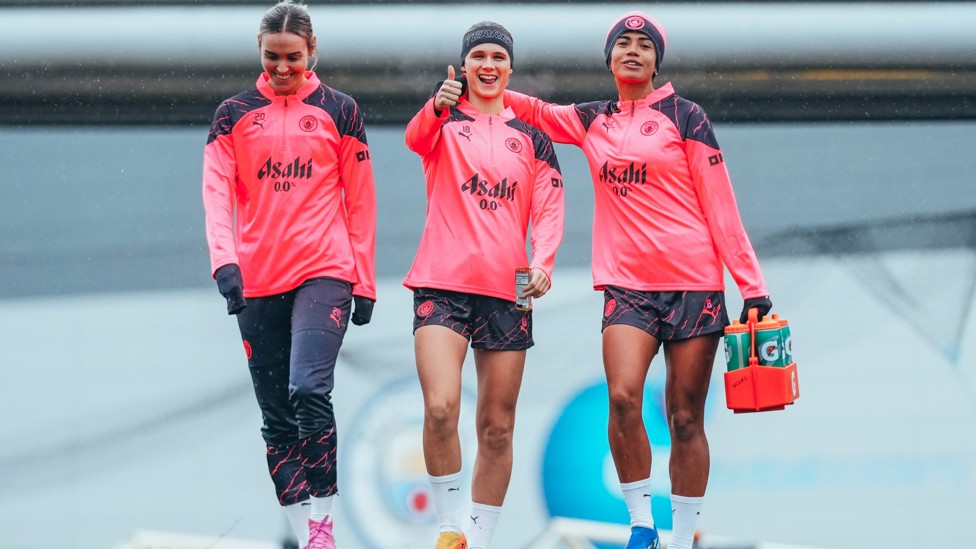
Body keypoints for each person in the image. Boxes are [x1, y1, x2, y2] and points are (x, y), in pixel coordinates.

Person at [501, 11, 773, 549]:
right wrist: (482, 80)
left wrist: (753, 287)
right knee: (624, 399)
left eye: (643, 45)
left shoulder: (685, 116)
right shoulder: (590, 119)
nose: (632, 51)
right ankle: (641, 526)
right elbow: (533, 109)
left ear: (655, 61)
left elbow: (723, 208)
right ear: (609, 58)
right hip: (627, 288)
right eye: (622, 43)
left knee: (685, 417)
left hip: (694, 283)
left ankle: (678, 537)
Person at [201, 2, 377, 548]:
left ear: (313, 51)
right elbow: (215, 192)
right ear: (260, 52)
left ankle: (325, 520)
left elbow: (361, 200)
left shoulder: (339, 110)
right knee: (276, 417)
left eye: (293, 58)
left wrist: (364, 280)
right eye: (272, 57)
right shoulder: (233, 114)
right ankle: (310, 538)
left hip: (325, 271)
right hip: (256, 279)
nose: (283, 68)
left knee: (308, 389)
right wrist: (224, 262)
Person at [404, 21, 565, 549]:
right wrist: (436, 103)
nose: (488, 64)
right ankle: (450, 528)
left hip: (513, 286)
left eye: (498, 55)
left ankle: (480, 537)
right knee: (440, 408)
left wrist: (543, 261)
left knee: (497, 427)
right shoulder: (443, 120)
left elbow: (549, 207)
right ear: (465, 65)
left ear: (510, 67)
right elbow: (414, 139)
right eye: (478, 56)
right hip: (440, 280)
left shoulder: (535, 137)